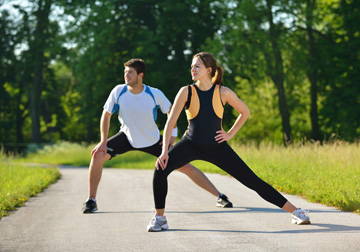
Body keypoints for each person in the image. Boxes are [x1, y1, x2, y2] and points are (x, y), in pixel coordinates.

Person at [147, 52, 311, 232]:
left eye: (197, 66)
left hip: (217, 147)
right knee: (160, 169)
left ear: (209, 70)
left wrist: (230, 134)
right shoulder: (186, 91)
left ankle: (297, 212)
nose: (192, 69)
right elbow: (170, 122)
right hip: (190, 144)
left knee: (252, 181)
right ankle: (160, 218)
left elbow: (245, 112)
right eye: (192, 66)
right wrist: (164, 151)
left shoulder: (223, 92)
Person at [82, 58, 233, 213]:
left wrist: (172, 138)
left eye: (130, 73)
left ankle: (220, 196)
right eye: (125, 72)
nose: (126, 76)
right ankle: (91, 200)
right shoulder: (118, 91)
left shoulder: (154, 94)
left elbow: (171, 114)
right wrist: (103, 141)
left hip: (153, 140)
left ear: (140, 75)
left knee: (186, 167)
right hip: (126, 137)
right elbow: (105, 116)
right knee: (97, 155)